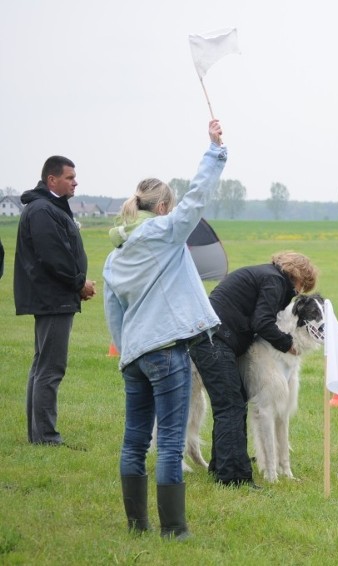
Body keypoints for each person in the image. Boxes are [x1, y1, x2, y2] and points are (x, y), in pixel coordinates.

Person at [102, 119, 227, 539]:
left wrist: (126, 352)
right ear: (160, 209)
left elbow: (114, 314)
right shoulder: (164, 232)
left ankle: (137, 526)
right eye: (169, 208)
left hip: (135, 356)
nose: (173, 213)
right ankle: (174, 529)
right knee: (171, 442)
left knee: (134, 441)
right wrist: (214, 151)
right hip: (168, 351)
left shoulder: (115, 255)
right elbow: (197, 200)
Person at [189, 251, 318, 489]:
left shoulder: (266, 275)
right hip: (214, 340)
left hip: (209, 336)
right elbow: (262, 321)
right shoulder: (275, 281)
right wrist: (286, 344)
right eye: (303, 285)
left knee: (231, 402)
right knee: (231, 405)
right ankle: (233, 477)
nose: (300, 292)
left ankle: (221, 466)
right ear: (297, 275)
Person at [14, 155, 97, 446]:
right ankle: (46, 437)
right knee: (50, 368)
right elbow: (54, 258)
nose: (75, 182)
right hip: (52, 300)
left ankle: (38, 435)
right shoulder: (41, 211)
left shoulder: (51, 208)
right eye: (70, 177)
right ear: (52, 180)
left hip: (55, 298)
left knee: (42, 367)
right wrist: (79, 284)